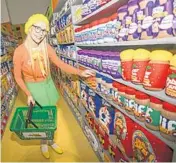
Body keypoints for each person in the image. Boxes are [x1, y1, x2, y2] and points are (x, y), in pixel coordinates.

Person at [13, 14, 95, 159]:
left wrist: (80, 72)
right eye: (37, 29)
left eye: (44, 30)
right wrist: (28, 93)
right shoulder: (19, 51)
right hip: (34, 88)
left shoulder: (47, 48)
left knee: (51, 115)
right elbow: (18, 77)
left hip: (48, 85)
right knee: (42, 119)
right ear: (29, 28)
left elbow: (60, 64)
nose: (40, 33)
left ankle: (50, 140)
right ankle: (44, 143)